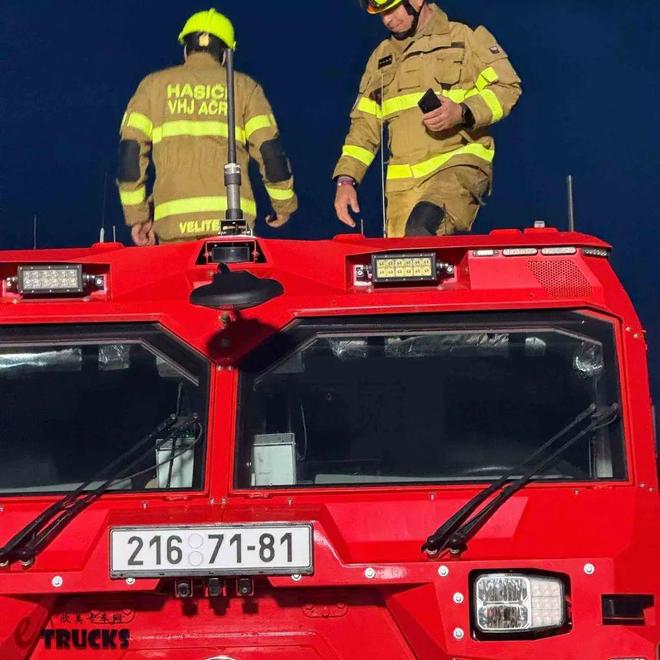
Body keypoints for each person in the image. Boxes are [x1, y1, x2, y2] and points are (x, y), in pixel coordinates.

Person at [334, 0, 522, 237]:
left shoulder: (464, 37)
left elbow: (507, 87)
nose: (387, 20)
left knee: (420, 228)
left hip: (455, 166)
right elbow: (364, 125)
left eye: (392, 9)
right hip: (402, 187)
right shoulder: (381, 58)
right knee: (404, 256)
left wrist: (462, 112)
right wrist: (346, 180)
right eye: (381, 14)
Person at [117, 9, 297, 246]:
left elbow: (130, 154)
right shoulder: (245, 87)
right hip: (232, 223)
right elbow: (270, 152)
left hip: (173, 224)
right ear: (225, 54)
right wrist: (283, 205)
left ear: (186, 49)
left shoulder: (152, 87)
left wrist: (138, 215)